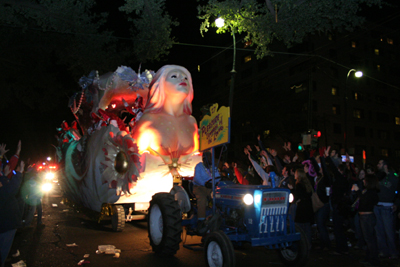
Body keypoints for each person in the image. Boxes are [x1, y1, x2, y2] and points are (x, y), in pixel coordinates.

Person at [132, 65, 199, 175]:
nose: (182, 79)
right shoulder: (149, 121)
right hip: (152, 189)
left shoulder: (191, 122)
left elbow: (197, 157)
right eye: (174, 76)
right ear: (160, 84)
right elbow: (134, 161)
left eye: (186, 78)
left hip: (187, 189)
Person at [0, 160, 24, 267]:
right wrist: (19, 174)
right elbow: (9, 190)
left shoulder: (2, 179)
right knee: (3, 250)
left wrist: (4, 175)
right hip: (6, 225)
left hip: (6, 223)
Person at [352, 174, 380, 266]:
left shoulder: (371, 192)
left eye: (365, 180)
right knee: (368, 239)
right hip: (365, 217)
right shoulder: (367, 191)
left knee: (370, 239)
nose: (363, 181)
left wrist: (358, 191)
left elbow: (365, 200)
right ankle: (369, 258)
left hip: (367, 218)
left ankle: (373, 260)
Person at [374, 159, 399, 259]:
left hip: (387, 207)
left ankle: (393, 252)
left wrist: (397, 204)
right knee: (379, 231)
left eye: (380, 163)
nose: (378, 165)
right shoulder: (379, 176)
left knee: (389, 231)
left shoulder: (394, 177)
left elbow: (398, 192)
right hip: (377, 206)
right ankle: (383, 251)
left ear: (385, 165)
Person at [193, 151, 220, 234]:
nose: (208, 160)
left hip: (211, 187)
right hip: (199, 187)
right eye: (207, 158)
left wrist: (218, 181)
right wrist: (205, 183)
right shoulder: (199, 166)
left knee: (218, 196)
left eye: (210, 158)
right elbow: (197, 178)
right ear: (203, 159)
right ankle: (201, 221)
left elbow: (218, 177)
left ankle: (218, 216)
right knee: (202, 198)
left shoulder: (213, 168)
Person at [293, 168, 314, 250]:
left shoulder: (298, 184)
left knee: (299, 227)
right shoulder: (307, 183)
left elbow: (298, 196)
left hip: (302, 208)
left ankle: (300, 245)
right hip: (308, 207)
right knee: (307, 227)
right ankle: (308, 244)